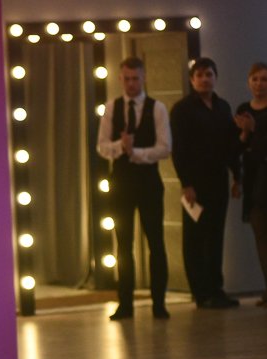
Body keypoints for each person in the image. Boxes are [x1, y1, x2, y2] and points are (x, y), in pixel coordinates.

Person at [96, 57, 172, 320]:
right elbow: (101, 146)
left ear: (144, 78)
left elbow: (165, 147)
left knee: (156, 242)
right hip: (121, 182)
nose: (131, 83)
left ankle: (159, 303)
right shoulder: (111, 107)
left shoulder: (157, 108)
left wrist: (136, 152)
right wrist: (121, 146)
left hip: (149, 182)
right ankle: (125, 303)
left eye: (135, 78)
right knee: (123, 244)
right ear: (120, 79)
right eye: (127, 79)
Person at [171, 57, 243, 309]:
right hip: (195, 181)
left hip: (218, 179)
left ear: (215, 77)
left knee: (215, 235)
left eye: (209, 74)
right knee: (196, 237)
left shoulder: (223, 107)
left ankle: (216, 289)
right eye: (199, 75)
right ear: (192, 80)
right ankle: (201, 293)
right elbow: (179, 150)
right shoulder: (182, 109)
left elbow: (230, 145)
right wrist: (186, 183)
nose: (204, 79)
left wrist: (237, 176)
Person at [235, 62, 267, 306]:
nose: (259, 84)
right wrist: (245, 133)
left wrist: (255, 131)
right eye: (255, 79)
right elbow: (238, 147)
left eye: (264, 79)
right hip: (254, 180)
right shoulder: (244, 110)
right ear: (248, 82)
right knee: (261, 237)